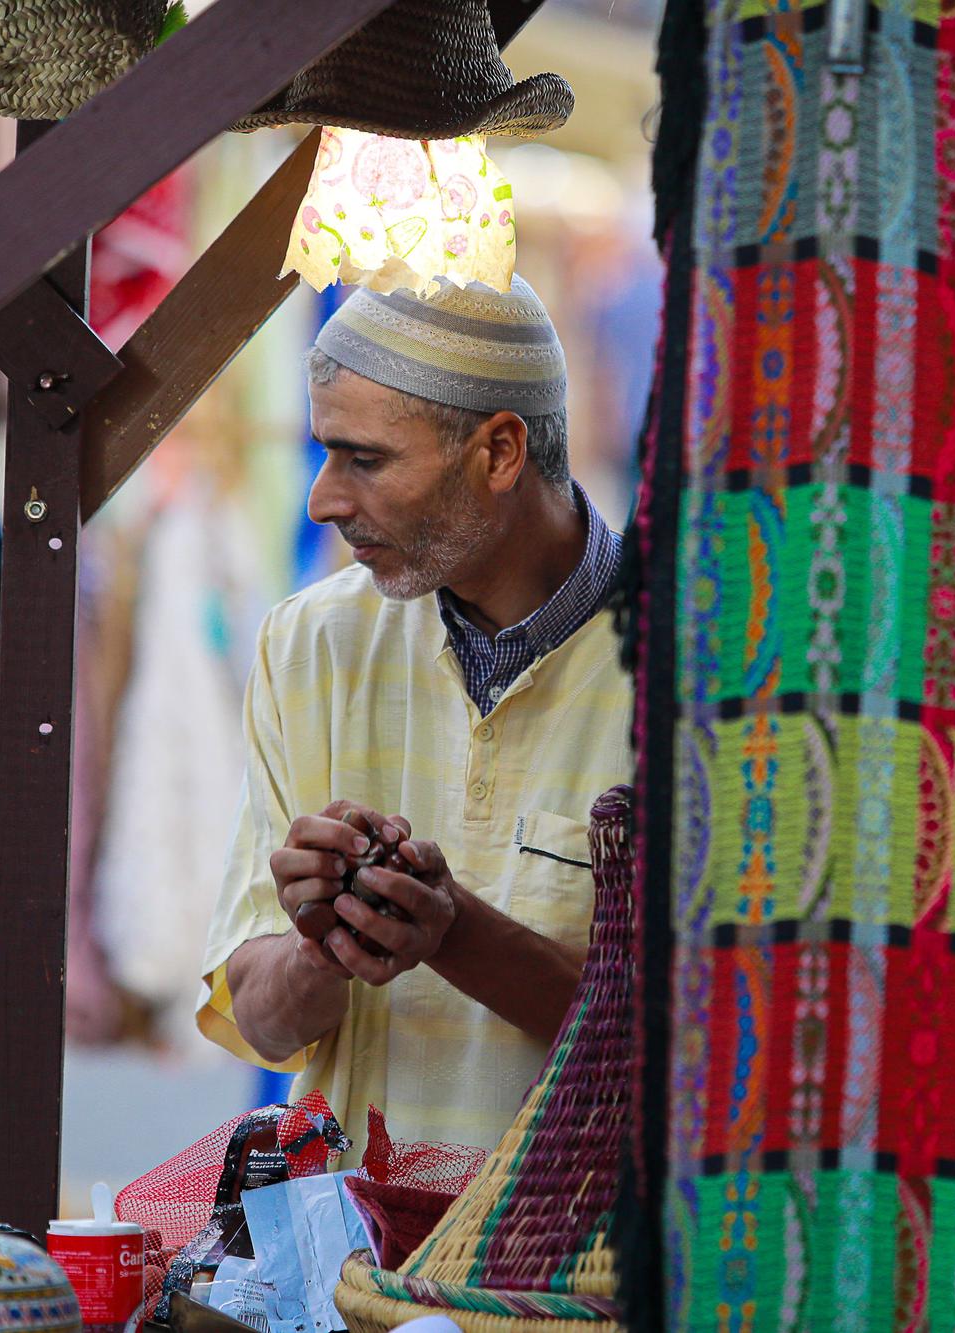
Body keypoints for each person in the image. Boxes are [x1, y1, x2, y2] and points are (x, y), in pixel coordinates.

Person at [196, 277, 634, 1157]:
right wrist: (322, 949)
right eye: (324, 454)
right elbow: (264, 1021)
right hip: (349, 1270)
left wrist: (454, 932)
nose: (322, 499)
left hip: (576, 1283)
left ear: (500, 452)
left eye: (364, 459)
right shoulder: (313, 641)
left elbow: (699, 1052)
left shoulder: (690, 676)